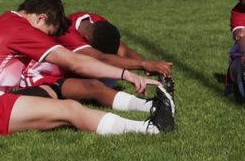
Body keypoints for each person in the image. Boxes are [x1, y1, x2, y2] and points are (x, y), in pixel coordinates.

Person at [0, 0, 174, 137]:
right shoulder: (21, 30)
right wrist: (127, 74)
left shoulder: (2, 21)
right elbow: (76, 63)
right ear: (41, 18)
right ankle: (151, 129)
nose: (46, 38)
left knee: (66, 96)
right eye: (48, 32)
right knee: (70, 110)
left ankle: (152, 109)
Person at [15, 10, 174, 114]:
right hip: (37, 74)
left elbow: (123, 51)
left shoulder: (96, 23)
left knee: (108, 80)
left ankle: (155, 104)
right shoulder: (66, 33)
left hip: (72, 67)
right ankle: (151, 107)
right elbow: (100, 58)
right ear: (86, 40)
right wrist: (141, 65)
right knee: (94, 86)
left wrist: (149, 65)